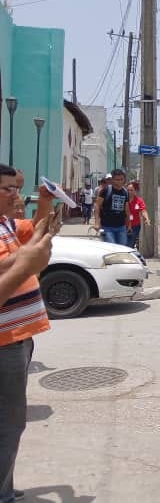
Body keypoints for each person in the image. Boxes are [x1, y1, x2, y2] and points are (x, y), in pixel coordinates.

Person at [0, 163, 59, 503]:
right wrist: (25, 262)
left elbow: (35, 232)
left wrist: (48, 204)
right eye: (8, 189)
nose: (16, 196)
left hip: (18, 338)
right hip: (4, 343)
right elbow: (24, 257)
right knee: (8, 424)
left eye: (17, 188)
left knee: (10, 423)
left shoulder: (8, 223)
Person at [94, 169, 130, 246]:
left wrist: (129, 224)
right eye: (117, 179)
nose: (119, 181)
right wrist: (96, 222)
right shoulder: (106, 190)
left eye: (121, 179)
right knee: (112, 248)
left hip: (121, 227)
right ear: (112, 179)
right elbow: (97, 205)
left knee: (122, 249)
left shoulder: (125, 192)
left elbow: (127, 209)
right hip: (107, 227)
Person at [126, 183, 150, 250]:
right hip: (123, 225)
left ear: (135, 191)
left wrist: (147, 219)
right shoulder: (124, 199)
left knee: (130, 244)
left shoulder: (139, 201)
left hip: (135, 226)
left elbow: (143, 210)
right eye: (128, 190)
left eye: (131, 190)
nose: (129, 192)